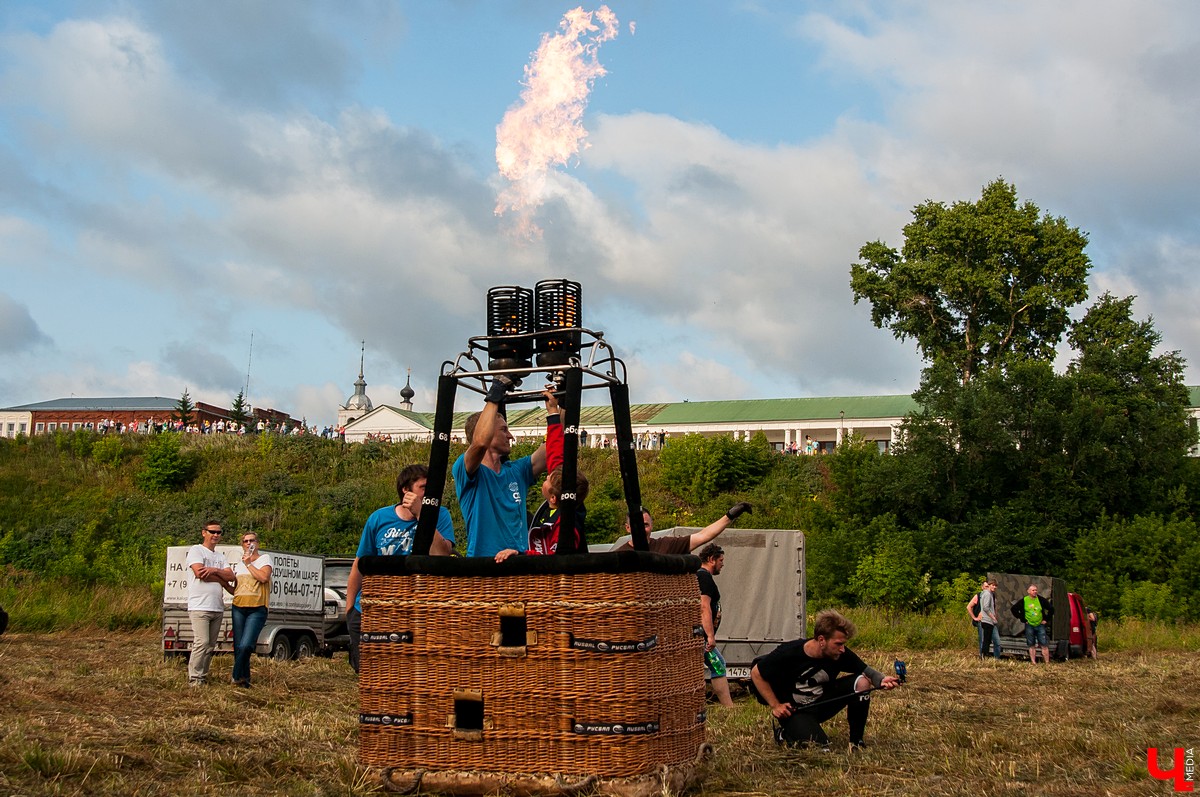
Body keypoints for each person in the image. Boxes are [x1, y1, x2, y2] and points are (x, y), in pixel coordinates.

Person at [345, 464, 456, 672]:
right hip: (372, 607)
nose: (429, 492)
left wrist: (423, 514)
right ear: (406, 490)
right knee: (371, 675)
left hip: (415, 609)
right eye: (423, 487)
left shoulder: (439, 515)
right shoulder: (379, 518)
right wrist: (350, 610)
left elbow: (442, 554)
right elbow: (359, 565)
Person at [750, 609, 899, 750]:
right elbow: (757, 673)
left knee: (862, 682)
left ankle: (856, 742)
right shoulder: (788, 652)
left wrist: (882, 680)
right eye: (838, 644)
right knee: (821, 748)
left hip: (823, 703)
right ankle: (785, 733)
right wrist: (776, 705)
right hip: (796, 711)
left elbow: (868, 672)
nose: (842, 649)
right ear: (822, 640)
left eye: (844, 644)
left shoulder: (841, 654)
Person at [453, 375, 547, 557]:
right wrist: (496, 390)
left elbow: (552, 449)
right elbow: (480, 442)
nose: (510, 436)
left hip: (517, 561)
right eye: (503, 430)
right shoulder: (467, 470)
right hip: (485, 565)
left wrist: (560, 407)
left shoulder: (516, 471)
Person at [495, 390, 588, 561]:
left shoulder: (566, 521)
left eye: (547, 479)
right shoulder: (557, 504)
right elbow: (555, 455)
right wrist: (553, 414)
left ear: (553, 497)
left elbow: (550, 557)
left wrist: (521, 555)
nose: (544, 478)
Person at [185, 521, 235, 687]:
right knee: (202, 642)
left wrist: (213, 570)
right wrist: (221, 577)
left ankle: (203, 677)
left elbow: (231, 576)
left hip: (217, 606)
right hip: (200, 606)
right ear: (203, 532)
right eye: (212, 531)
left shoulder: (220, 557)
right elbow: (200, 573)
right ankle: (194, 678)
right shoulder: (196, 550)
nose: (216, 535)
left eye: (219, 532)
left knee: (210, 645)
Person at [616, 502, 752, 554]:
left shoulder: (666, 546)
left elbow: (703, 536)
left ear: (652, 526)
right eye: (637, 525)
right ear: (628, 528)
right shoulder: (618, 555)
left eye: (645, 525)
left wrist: (729, 516)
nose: (641, 529)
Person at [230, 531, 272, 687]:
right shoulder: (239, 565)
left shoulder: (264, 559)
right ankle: (244, 680)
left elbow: (263, 577)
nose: (249, 543)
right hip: (238, 606)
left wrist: (248, 563)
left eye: (252, 540)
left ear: (257, 543)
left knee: (247, 645)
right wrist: (221, 580)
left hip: (257, 608)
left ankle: (235, 675)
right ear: (242, 545)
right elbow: (236, 589)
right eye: (245, 541)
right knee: (238, 645)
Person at [697, 544, 734, 707]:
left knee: (717, 665)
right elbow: (704, 607)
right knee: (718, 666)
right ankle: (729, 707)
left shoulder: (703, 576)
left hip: (702, 636)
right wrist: (710, 636)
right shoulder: (703, 576)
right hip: (702, 637)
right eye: (720, 560)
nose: (722, 564)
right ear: (711, 559)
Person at [1010, 583, 1053, 664]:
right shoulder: (1024, 600)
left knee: (1044, 644)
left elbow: (1051, 609)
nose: (1035, 592)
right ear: (1028, 591)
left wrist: (1046, 619)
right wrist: (1022, 619)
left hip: (1040, 624)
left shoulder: (1041, 600)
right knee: (1031, 644)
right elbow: (1014, 609)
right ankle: (1033, 662)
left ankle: (1047, 662)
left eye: (1036, 590)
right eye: (1033, 590)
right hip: (1029, 624)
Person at [966, 580, 1001, 660]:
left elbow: (993, 607)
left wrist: (994, 616)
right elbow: (969, 607)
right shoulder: (979, 595)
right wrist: (974, 617)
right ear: (983, 587)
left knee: (995, 641)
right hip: (983, 620)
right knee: (984, 640)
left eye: (995, 586)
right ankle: (983, 657)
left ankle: (996, 658)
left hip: (991, 621)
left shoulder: (992, 595)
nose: (993, 587)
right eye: (986, 586)